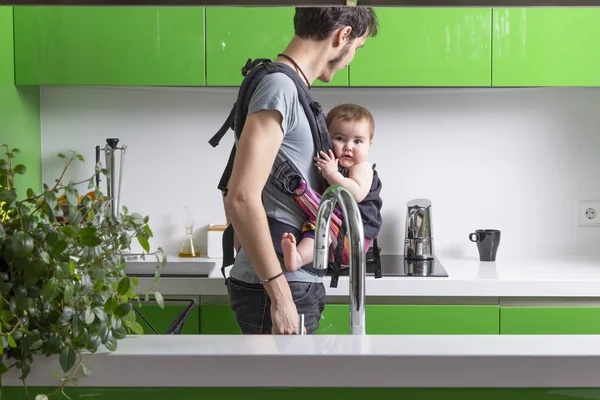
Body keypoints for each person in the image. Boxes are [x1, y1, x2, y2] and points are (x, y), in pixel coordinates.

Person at [223, 7, 379, 335]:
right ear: (343, 36)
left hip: (287, 283)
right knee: (279, 387)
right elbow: (240, 197)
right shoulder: (279, 88)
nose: (351, 58)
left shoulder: (289, 88)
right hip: (281, 288)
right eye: (357, 49)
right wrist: (280, 298)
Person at [281, 103, 379, 272]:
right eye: (340, 138)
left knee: (321, 222)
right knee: (317, 227)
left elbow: (355, 194)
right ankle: (298, 257)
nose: (348, 146)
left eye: (358, 141)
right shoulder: (332, 164)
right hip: (335, 230)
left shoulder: (361, 167)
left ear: (369, 144)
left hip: (355, 234)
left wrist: (332, 175)